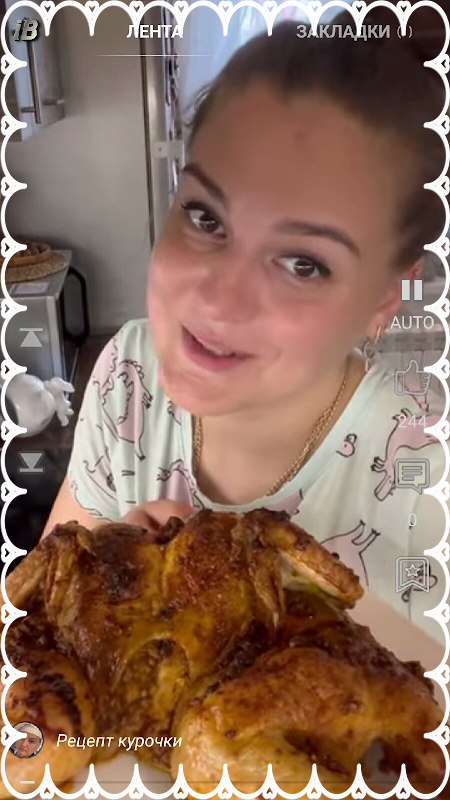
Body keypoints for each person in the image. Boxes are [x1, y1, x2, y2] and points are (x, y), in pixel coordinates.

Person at [42, 1, 449, 648]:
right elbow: (32, 632)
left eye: (304, 263)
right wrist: (118, 570)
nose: (218, 300)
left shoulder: (427, 475)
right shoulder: (130, 376)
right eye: (206, 217)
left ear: (383, 298)